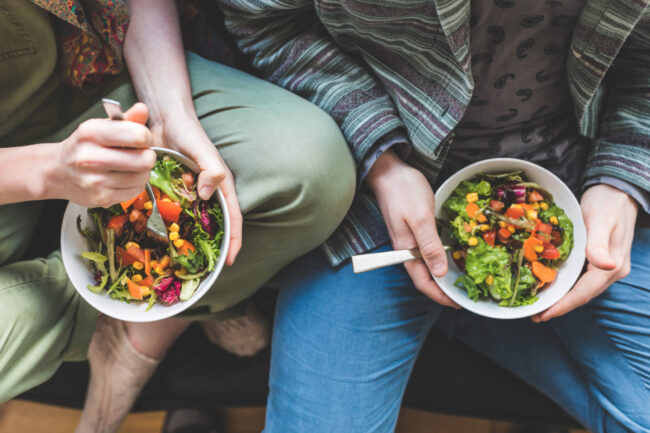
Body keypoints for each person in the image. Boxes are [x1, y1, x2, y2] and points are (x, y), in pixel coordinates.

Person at [214, 0, 650, 432]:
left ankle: (471, 313)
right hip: (371, 197)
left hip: (569, 187)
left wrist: (622, 178)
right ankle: (473, 313)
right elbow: (263, 19)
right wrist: (383, 164)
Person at [0, 1, 355, 432]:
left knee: (312, 170)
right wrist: (44, 172)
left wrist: (172, 115)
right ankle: (126, 328)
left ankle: (134, 327)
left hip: (99, 74)